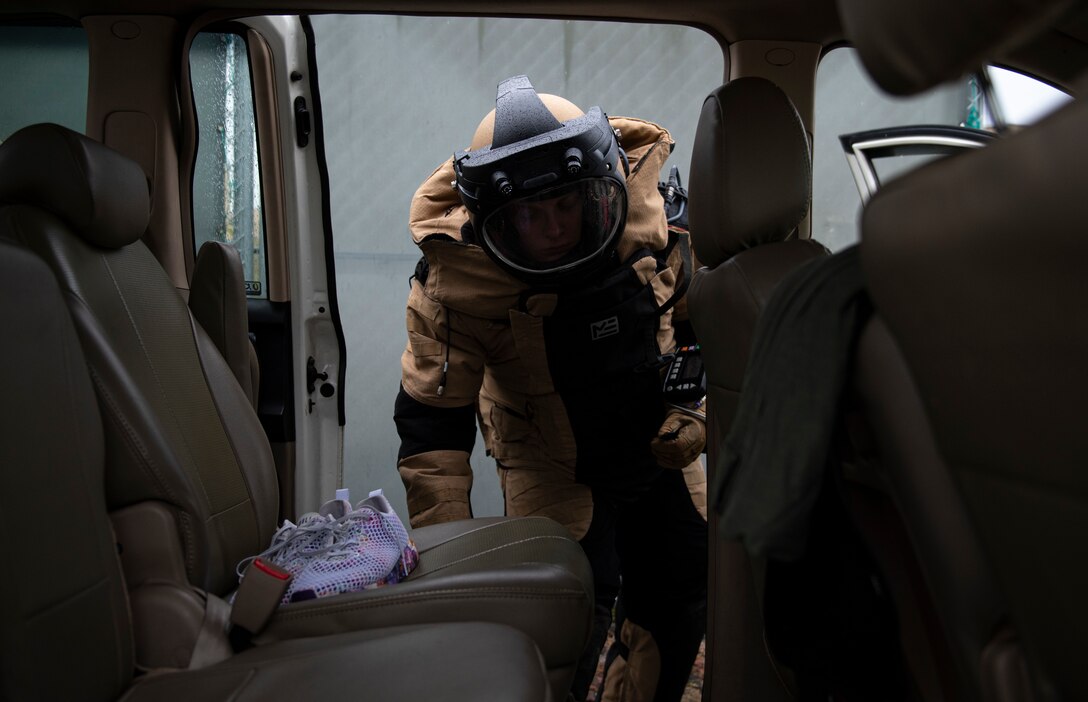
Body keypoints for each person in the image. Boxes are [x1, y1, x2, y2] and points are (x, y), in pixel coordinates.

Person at [394, 75, 708, 701]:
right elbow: (433, 426)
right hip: (549, 459)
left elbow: (692, 327)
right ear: (491, 220)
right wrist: (449, 559)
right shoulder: (456, 282)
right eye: (529, 216)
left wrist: (690, 408)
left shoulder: (655, 226)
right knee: (559, 621)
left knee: (684, 589)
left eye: (567, 204)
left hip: (658, 444)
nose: (555, 228)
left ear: (605, 186)